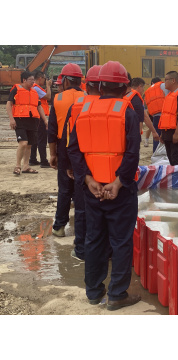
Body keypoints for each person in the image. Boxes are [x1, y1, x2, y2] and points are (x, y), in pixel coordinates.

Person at [67, 60, 141, 310]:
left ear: (98, 85)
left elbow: (74, 150)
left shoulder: (84, 111)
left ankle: (93, 292)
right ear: (124, 87)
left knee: (94, 239)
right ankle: (118, 294)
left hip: (93, 190)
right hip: (119, 191)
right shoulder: (127, 111)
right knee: (120, 241)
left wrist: (88, 180)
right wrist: (119, 183)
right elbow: (132, 153)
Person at [63, 65, 102, 261]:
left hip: (83, 168)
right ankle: (107, 252)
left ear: (87, 85)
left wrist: (69, 165)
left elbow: (69, 140)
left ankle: (81, 250)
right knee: (107, 212)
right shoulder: (120, 106)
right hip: (109, 170)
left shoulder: (77, 106)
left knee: (82, 210)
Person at [48, 63, 85, 237]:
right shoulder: (87, 97)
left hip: (64, 146)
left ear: (67, 80)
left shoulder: (58, 99)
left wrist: (53, 154)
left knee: (64, 188)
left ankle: (59, 227)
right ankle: (81, 229)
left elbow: (52, 130)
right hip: (83, 146)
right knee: (81, 187)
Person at [6, 71, 47, 175]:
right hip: (20, 120)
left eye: (33, 80)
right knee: (23, 143)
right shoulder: (16, 90)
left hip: (32, 120)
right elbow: (8, 104)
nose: (33, 82)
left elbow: (39, 106)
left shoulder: (34, 92)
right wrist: (11, 119)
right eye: (30, 80)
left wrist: (45, 120)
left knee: (29, 144)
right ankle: (17, 166)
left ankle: (26, 166)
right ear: (24, 80)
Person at [124, 77, 159, 145]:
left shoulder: (125, 96)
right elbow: (144, 117)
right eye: (143, 88)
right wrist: (154, 132)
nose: (143, 90)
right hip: (133, 135)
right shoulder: (136, 99)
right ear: (139, 87)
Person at [29, 71, 52, 168]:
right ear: (40, 78)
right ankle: (44, 161)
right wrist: (49, 86)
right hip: (40, 116)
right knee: (42, 139)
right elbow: (48, 97)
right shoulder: (36, 88)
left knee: (35, 138)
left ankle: (33, 159)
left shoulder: (33, 87)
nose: (44, 80)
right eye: (44, 79)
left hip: (35, 116)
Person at [144, 77, 168, 152]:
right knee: (166, 136)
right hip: (166, 115)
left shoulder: (148, 91)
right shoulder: (164, 85)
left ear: (152, 83)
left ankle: (156, 153)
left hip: (155, 116)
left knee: (156, 136)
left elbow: (146, 104)